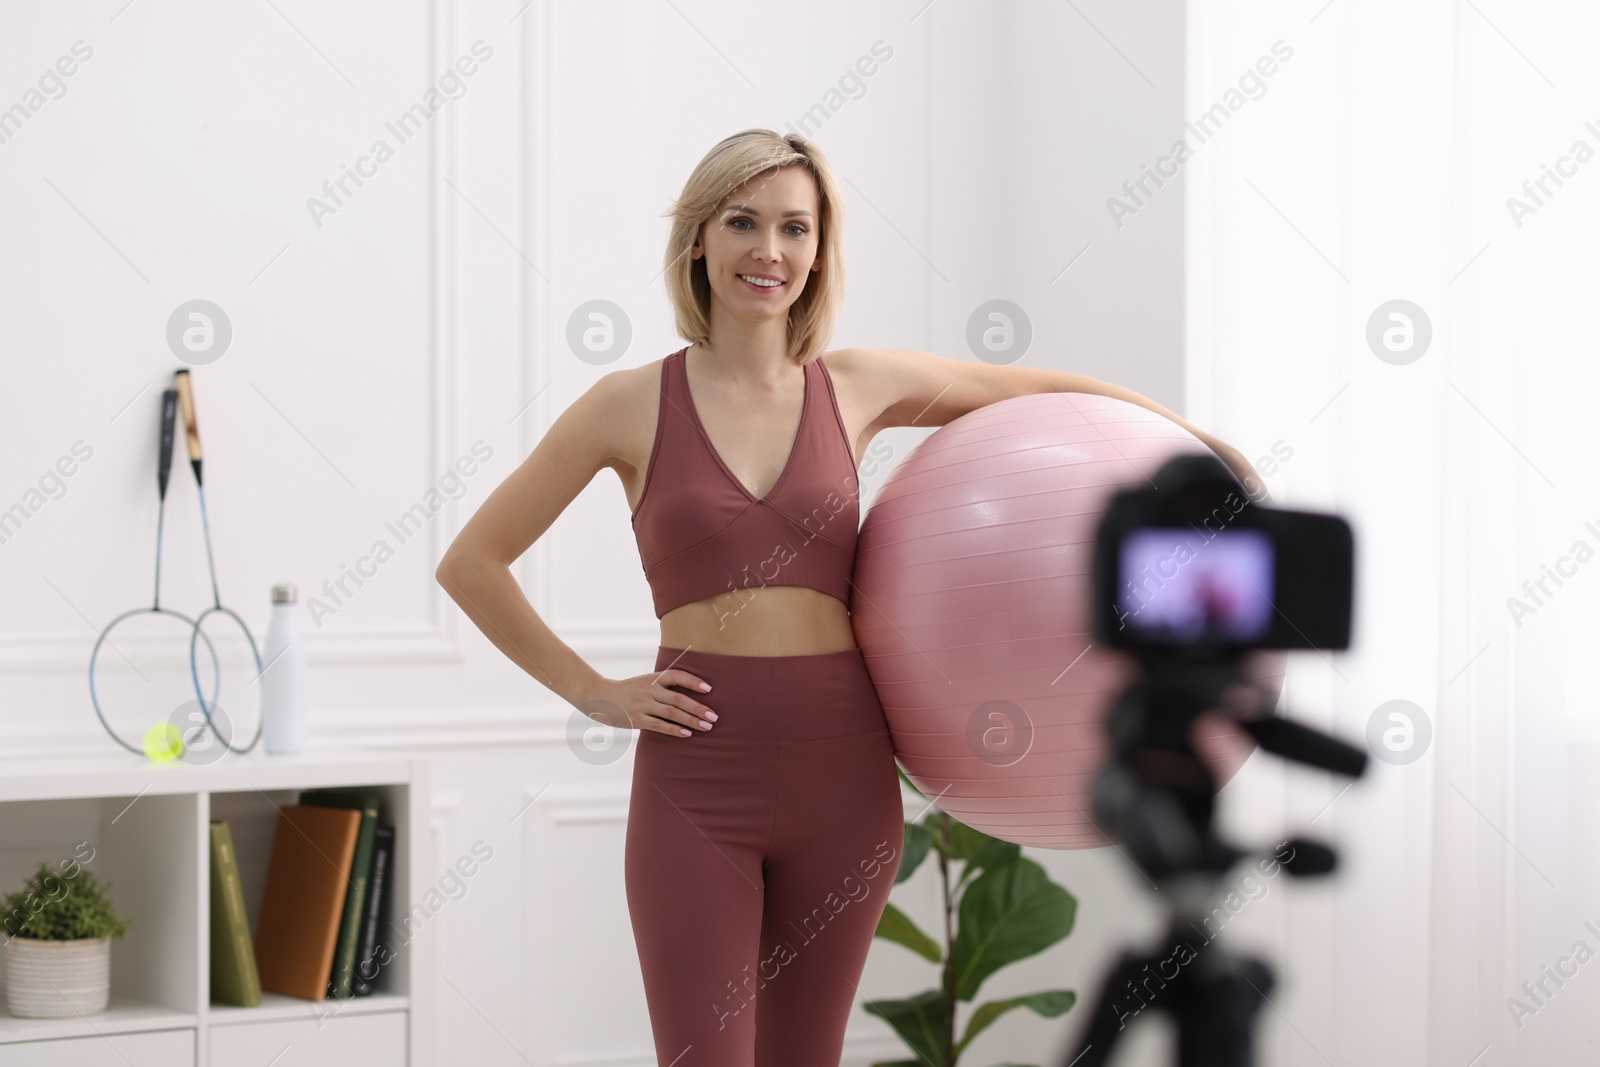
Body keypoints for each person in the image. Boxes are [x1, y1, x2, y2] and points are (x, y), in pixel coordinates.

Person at [436, 128, 1263, 1067]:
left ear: (820, 249)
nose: (770, 251)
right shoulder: (625, 404)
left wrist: (1197, 440)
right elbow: (472, 562)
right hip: (699, 772)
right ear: (699, 238)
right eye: (743, 222)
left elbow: (1036, 390)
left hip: (846, 770)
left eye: (796, 227)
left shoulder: (857, 385)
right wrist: (595, 691)